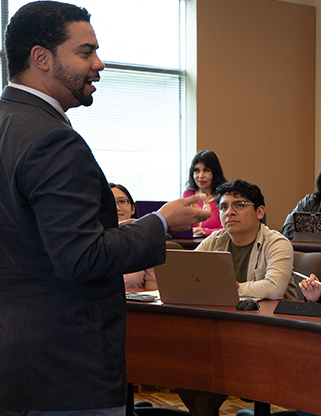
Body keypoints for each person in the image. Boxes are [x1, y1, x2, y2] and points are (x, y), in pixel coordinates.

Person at [0, 2, 210, 414]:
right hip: (65, 366)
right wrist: (161, 223)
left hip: (15, 361)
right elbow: (82, 256)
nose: (99, 64)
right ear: (41, 58)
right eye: (85, 52)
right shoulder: (53, 140)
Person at [177, 179, 297, 416]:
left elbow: (273, 288)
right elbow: (189, 276)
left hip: (269, 333)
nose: (229, 212)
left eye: (239, 205)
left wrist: (232, 288)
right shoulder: (215, 240)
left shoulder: (277, 243)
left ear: (259, 211)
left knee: (206, 389)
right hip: (221, 330)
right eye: (223, 207)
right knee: (180, 366)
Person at [110, 183, 157, 289]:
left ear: (132, 209)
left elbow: (152, 294)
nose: (117, 207)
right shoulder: (92, 241)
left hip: (136, 305)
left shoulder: (147, 241)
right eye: (111, 202)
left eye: (122, 201)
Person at [183, 150, 227, 236]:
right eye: (196, 170)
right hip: (189, 245)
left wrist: (206, 232)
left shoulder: (224, 197)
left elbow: (227, 229)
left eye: (206, 170)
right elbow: (180, 224)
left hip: (215, 245)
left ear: (215, 173)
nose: (200, 176)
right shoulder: (188, 195)